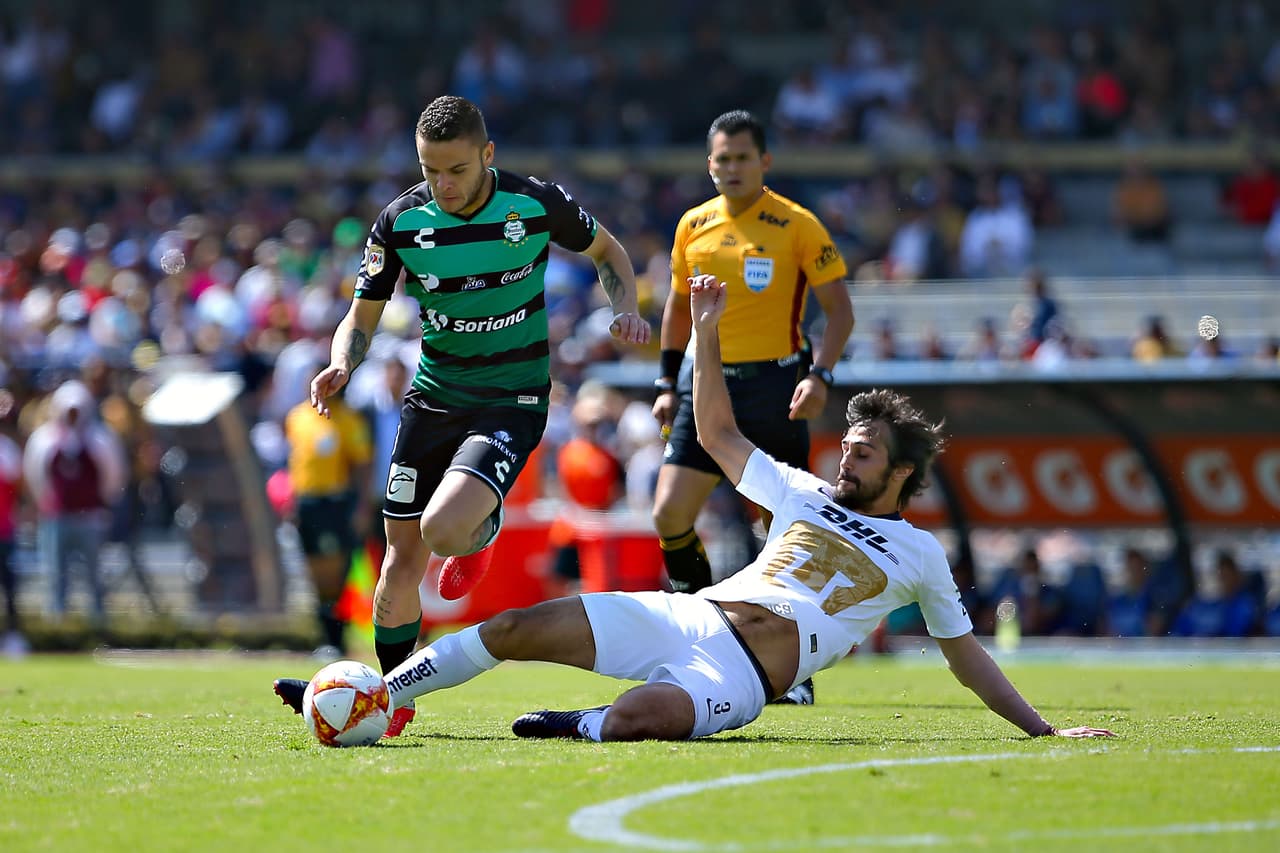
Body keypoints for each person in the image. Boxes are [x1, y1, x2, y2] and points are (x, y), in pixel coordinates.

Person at [273, 275, 1114, 743]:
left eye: (863, 452)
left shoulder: (920, 556)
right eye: (848, 445)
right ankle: (374, 693)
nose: (845, 457)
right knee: (516, 627)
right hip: (688, 615)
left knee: (641, 719)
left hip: (740, 679)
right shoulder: (804, 491)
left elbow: (966, 658)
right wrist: (705, 332)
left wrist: (1042, 731)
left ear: (899, 473)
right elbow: (715, 432)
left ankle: (582, 722)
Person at [273, 95, 650, 735]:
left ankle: (480, 528)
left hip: (511, 399)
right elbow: (361, 315)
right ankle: (392, 701)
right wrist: (342, 362)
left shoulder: (534, 203)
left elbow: (608, 252)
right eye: (430, 170)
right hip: (433, 399)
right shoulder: (401, 222)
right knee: (399, 562)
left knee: (443, 530)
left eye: (456, 169)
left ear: (487, 155)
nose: (443, 184)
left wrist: (625, 309)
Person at [651, 110, 853, 706]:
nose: (732, 168)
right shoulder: (693, 224)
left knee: (780, 530)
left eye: (743, 157)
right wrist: (665, 381)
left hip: (775, 389)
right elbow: (677, 308)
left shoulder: (797, 224)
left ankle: (791, 667)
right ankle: (699, 638)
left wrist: (820, 375)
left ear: (764, 161)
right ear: (709, 164)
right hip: (705, 384)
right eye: (723, 158)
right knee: (669, 514)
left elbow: (840, 312)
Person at [22, 380, 126, 625]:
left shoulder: (99, 439)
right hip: (56, 518)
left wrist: (102, 502)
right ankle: (59, 627)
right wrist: (46, 502)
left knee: (94, 576)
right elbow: (34, 475)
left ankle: (99, 626)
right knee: (55, 575)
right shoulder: (45, 439)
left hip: (90, 516)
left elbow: (114, 475)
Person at [284, 376, 373, 660]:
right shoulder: (297, 416)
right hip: (305, 502)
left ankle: (337, 638)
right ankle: (325, 639)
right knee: (314, 573)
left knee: (335, 574)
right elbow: (295, 462)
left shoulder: (347, 418)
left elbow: (362, 465)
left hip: (334, 502)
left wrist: (361, 506)